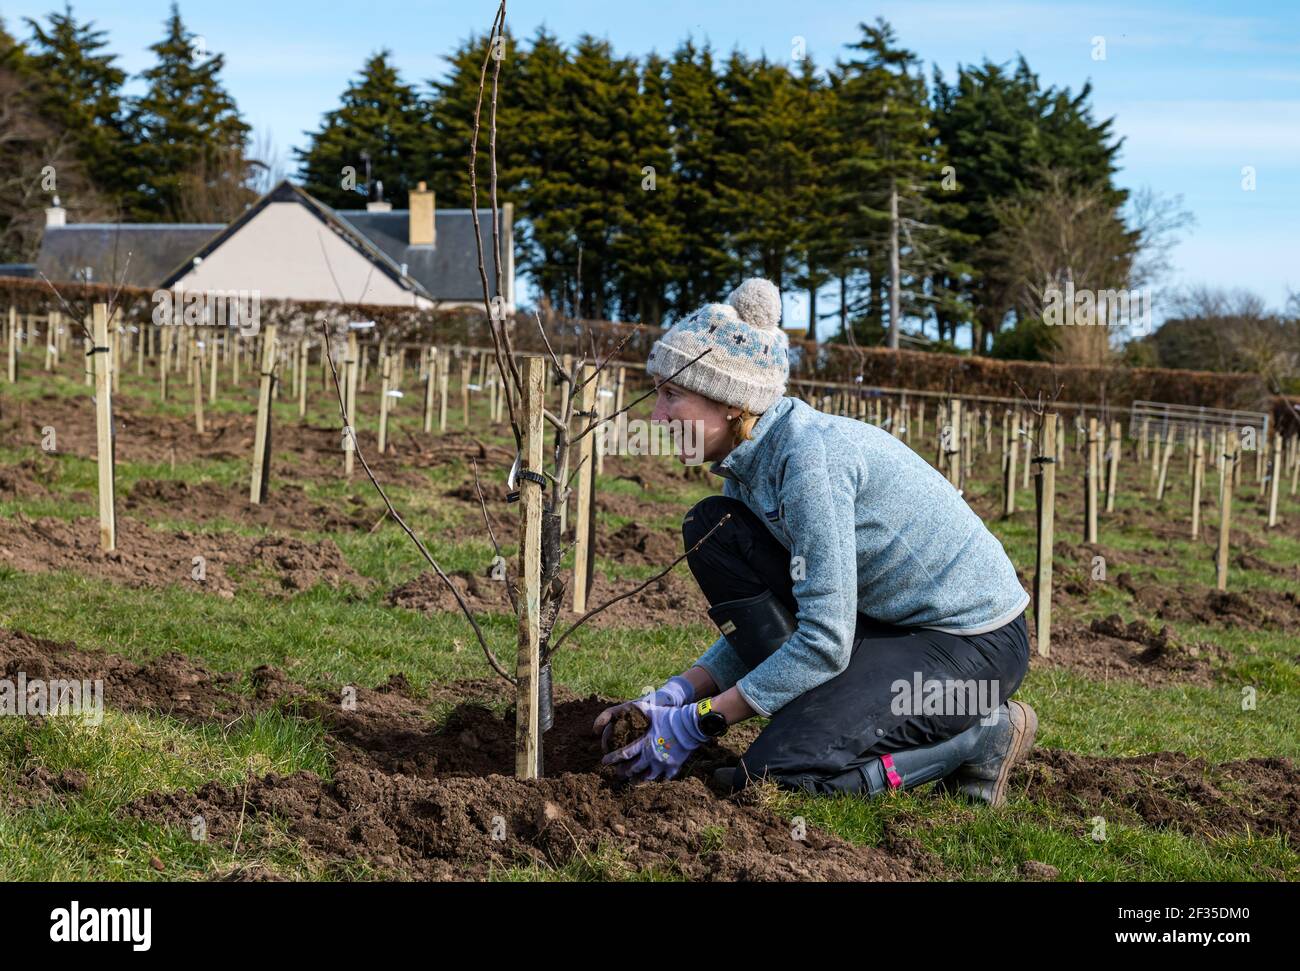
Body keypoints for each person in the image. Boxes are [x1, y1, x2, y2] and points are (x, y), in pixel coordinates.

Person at [593, 277, 1037, 806]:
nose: (657, 416)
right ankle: (825, 711)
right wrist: (678, 692)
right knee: (712, 526)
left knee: (775, 772)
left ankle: (979, 736)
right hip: (884, 624)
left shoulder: (809, 462)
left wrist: (702, 722)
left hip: (971, 646)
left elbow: (824, 638)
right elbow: (779, 611)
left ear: (731, 403)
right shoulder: (748, 465)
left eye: (672, 394)